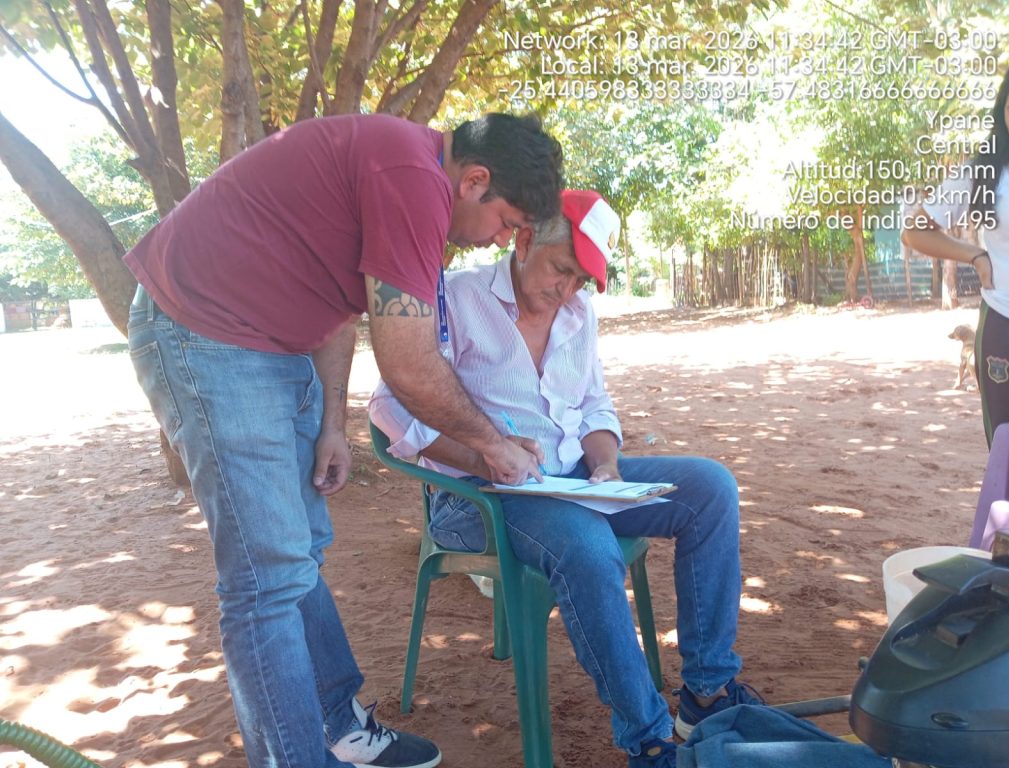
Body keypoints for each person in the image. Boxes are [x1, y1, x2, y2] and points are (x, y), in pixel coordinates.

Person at [124, 112, 562, 768]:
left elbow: (339, 306)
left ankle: (336, 725)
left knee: (300, 554)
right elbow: (410, 365)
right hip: (203, 332)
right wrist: (494, 443)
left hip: (268, 344)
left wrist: (331, 422)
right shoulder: (412, 178)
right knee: (265, 577)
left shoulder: (410, 177)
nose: (498, 241)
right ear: (476, 181)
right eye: (507, 223)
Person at [369, 190, 761, 768]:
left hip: (571, 480)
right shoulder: (457, 297)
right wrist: (487, 456)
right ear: (525, 239)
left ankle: (706, 691)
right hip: (479, 497)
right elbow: (389, 406)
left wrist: (605, 464)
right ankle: (649, 740)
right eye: (561, 269)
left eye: (581, 280)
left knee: (709, 490)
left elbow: (594, 406)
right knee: (587, 545)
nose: (567, 289)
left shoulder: (577, 315)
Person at [903, 57, 1009, 497]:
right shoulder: (984, 171)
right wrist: (973, 253)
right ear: (1002, 113)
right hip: (1007, 327)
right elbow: (914, 229)